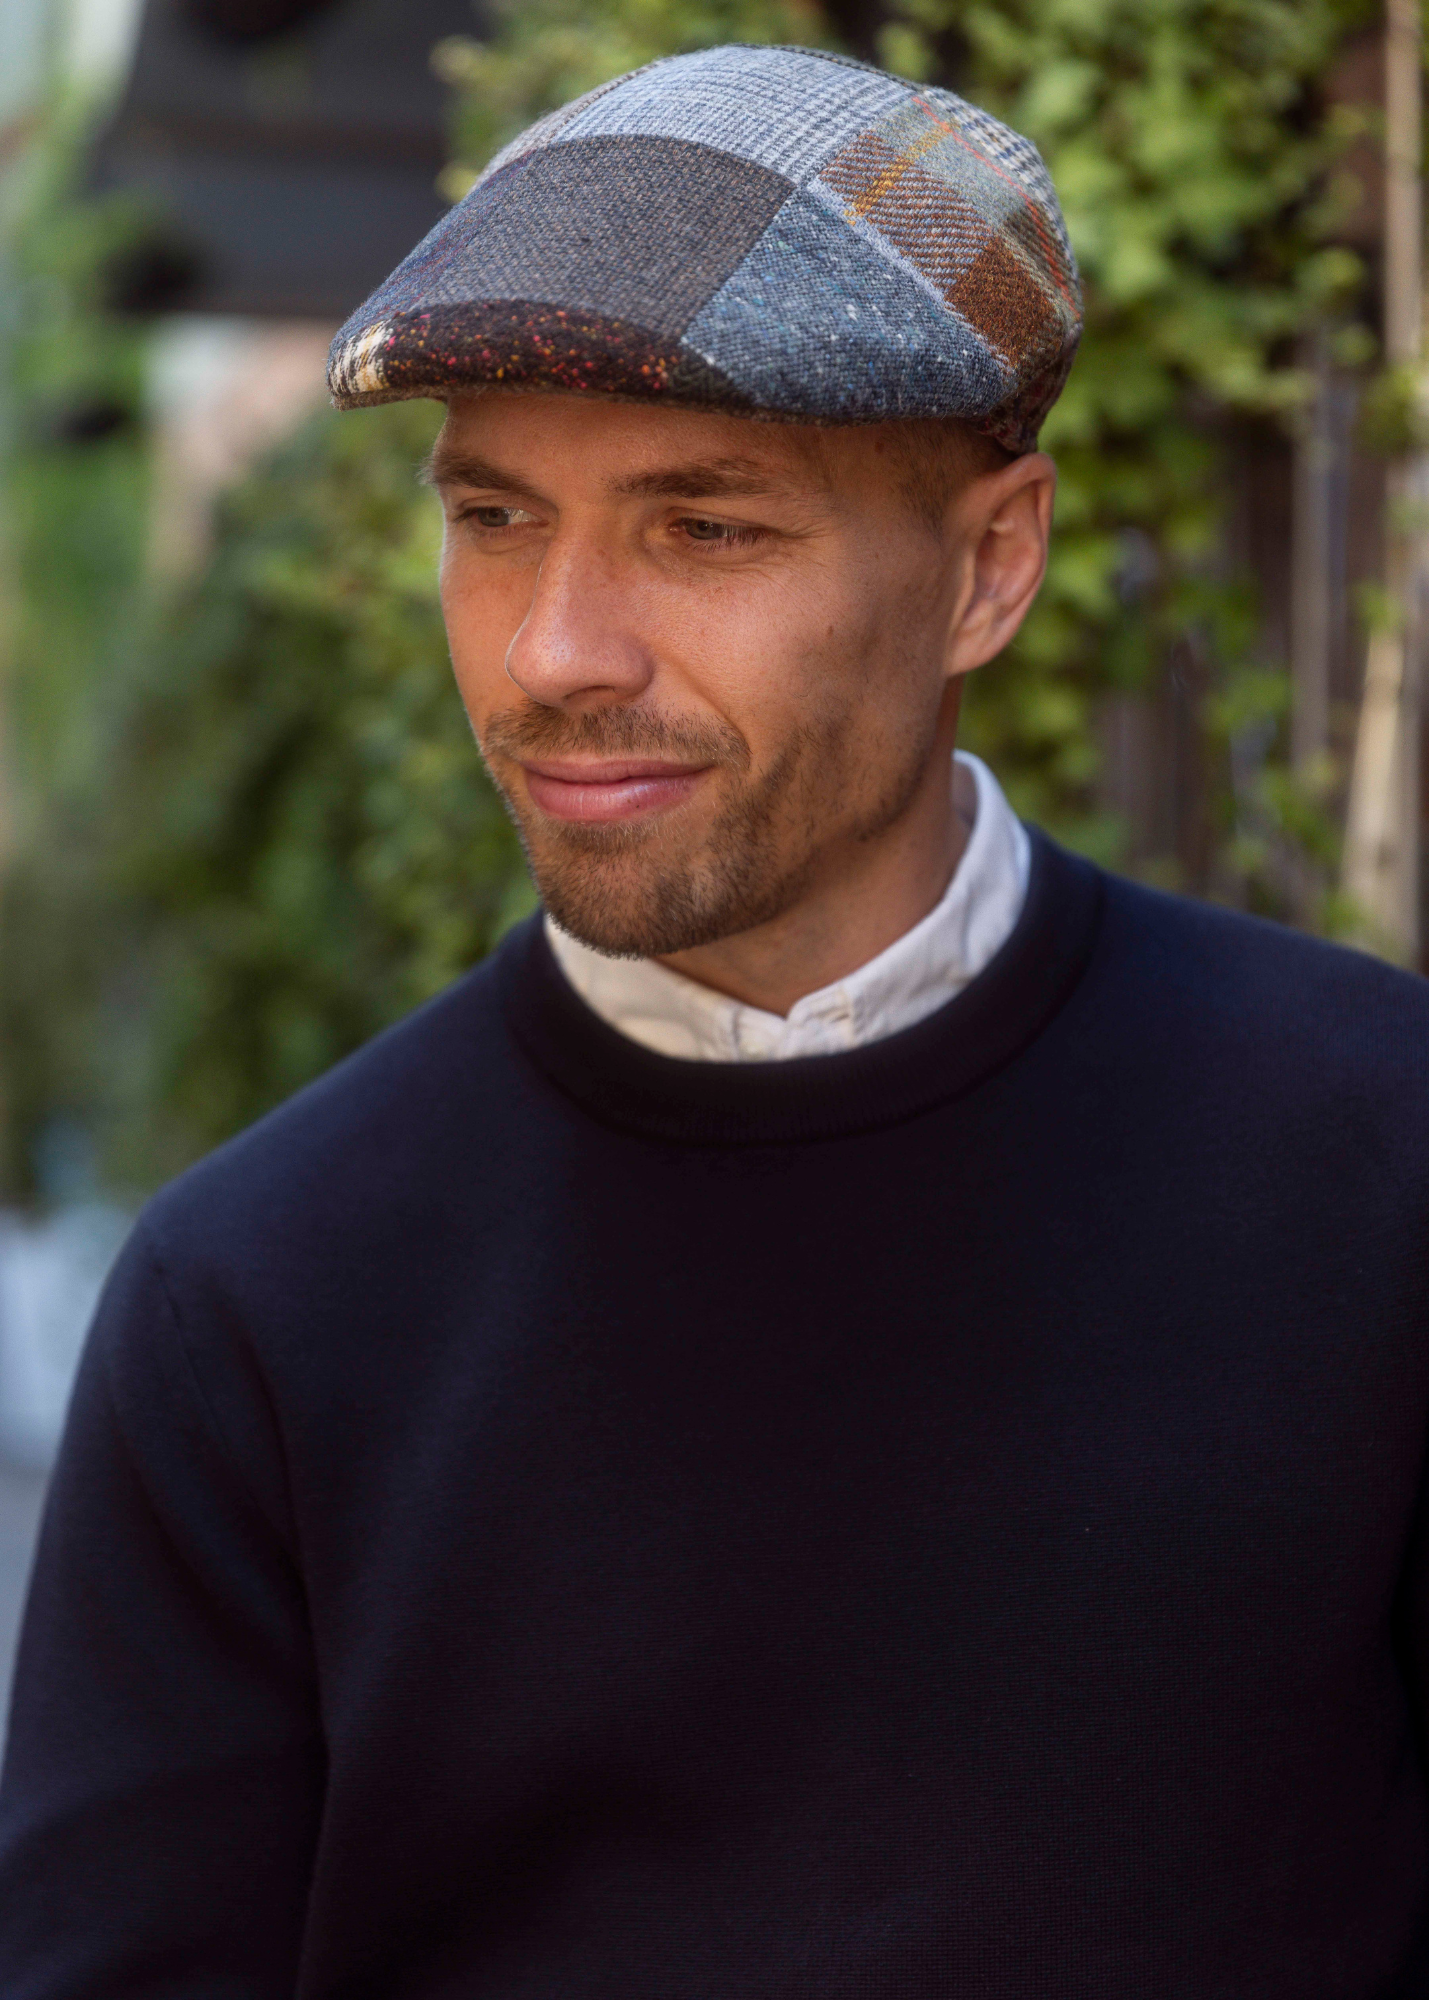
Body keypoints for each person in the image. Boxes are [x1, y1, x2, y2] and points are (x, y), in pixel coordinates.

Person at [2, 42, 1428, 1999]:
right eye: (495, 516)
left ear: (991, 566)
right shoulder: (257, 1303)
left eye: (705, 527)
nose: (554, 651)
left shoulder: (1378, 1168)